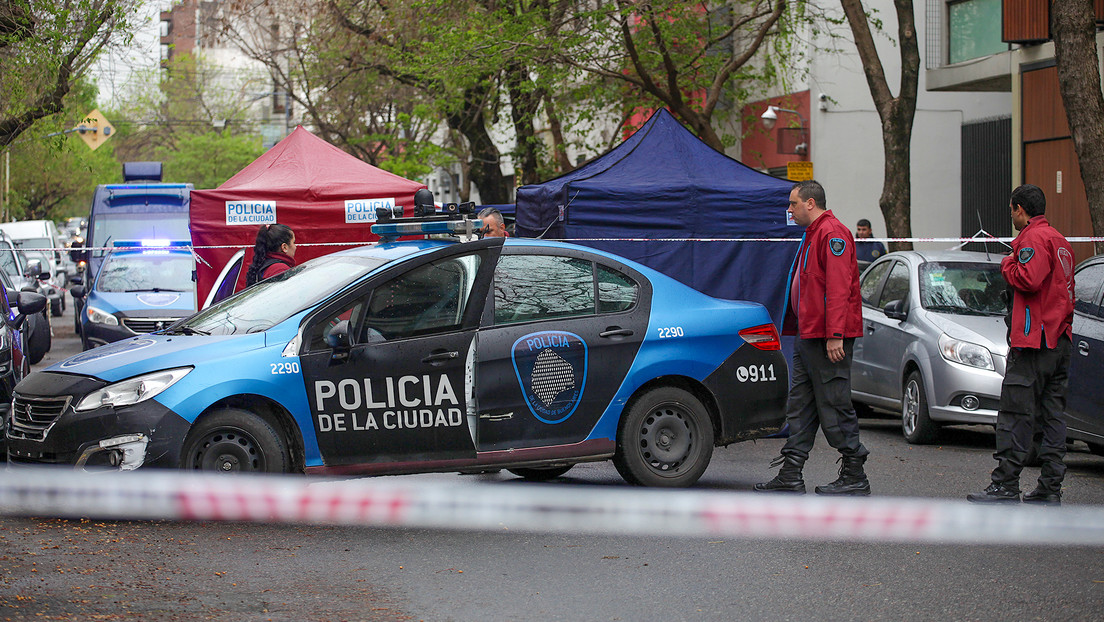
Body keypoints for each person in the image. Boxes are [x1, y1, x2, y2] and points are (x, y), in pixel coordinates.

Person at [755, 180, 870, 496]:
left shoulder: (832, 233)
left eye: (793, 203)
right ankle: (791, 474)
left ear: (810, 203)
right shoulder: (813, 233)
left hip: (826, 338)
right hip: (811, 335)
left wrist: (835, 335)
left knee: (834, 404)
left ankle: (855, 474)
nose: (789, 210)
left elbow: (838, 288)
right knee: (801, 406)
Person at [967, 184, 1075, 505]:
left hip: (1033, 341)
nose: (1011, 215)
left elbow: (1028, 278)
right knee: (1052, 414)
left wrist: (1006, 263)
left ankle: (1005, 484)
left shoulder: (1032, 239)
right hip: (1059, 340)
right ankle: (1050, 486)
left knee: (1015, 411)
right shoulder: (1061, 241)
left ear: (1018, 209)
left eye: (1011, 209)